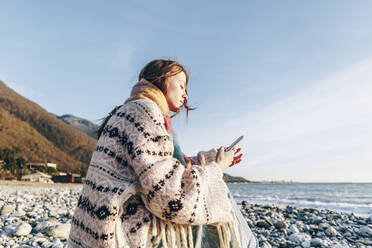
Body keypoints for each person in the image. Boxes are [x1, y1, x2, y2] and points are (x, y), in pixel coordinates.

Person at [67, 59, 257, 248]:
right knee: (218, 198)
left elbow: (160, 165)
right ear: (162, 78)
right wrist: (216, 169)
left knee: (209, 192)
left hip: (99, 227)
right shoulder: (145, 111)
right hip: (122, 230)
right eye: (182, 86)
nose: (186, 96)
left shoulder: (132, 109)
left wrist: (208, 160)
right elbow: (168, 196)